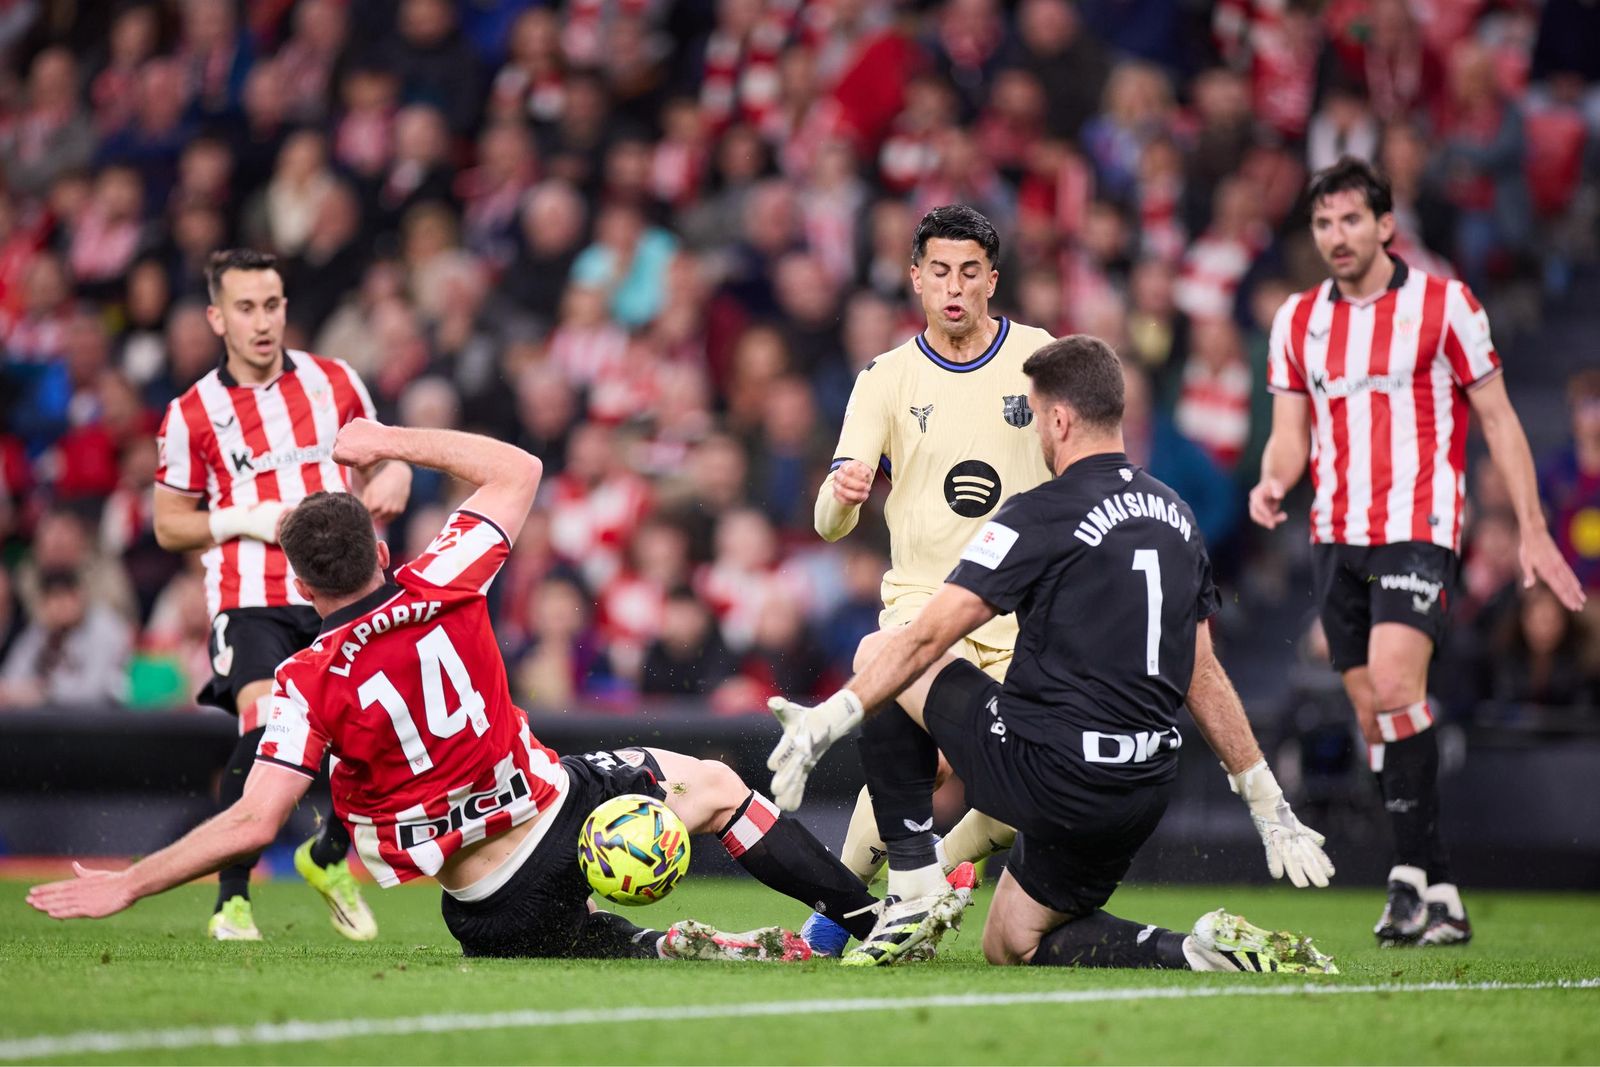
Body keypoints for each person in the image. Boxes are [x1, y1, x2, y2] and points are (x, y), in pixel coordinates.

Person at [31, 420, 938, 963]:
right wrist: (387, 442)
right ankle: (867, 918)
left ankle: (643, 943)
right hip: (550, 825)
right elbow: (518, 468)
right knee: (709, 782)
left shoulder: (306, 681)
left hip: (480, 913)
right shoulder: (444, 577)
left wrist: (132, 882)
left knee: (565, 929)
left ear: (302, 587)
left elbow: (253, 824)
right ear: (382, 552)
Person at [766, 336, 1337, 971]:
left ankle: (913, 889)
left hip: (1054, 776)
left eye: (1035, 414)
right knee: (1010, 940)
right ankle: (1195, 952)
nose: (1034, 429)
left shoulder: (1036, 515)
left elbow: (925, 639)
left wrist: (828, 719)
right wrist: (1266, 799)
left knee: (885, 646)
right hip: (1139, 791)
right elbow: (1201, 672)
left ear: (1060, 419)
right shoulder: (1176, 516)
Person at [1248, 157, 1586, 947]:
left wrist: (1532, 527)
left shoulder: (1445, 306)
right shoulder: (1297, 320)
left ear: (1386, 225)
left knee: (1399, 684)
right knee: (1375, 710)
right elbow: (1290, 435)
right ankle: (1432, 883)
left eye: (1351, 220)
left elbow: (1499, 419)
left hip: (1419, 525)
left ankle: (1409, 880)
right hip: (1335, 535)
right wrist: (1271, 482)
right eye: (1324, 223)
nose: (1337, 235)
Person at [803, 204, 1056, 954]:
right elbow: (828, 523)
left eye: (969, 271)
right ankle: (827, 920)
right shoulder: (885, 378)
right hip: (923, 607)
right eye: (939, 270)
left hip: (1025, 613)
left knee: (1029, 794)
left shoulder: (1040, 357)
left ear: (992, 280)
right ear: (915, 279)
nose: (954, 286)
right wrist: (841, 494)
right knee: (918, 761)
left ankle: (933, 877)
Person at [151, 248, 414, 941]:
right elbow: (168, 523)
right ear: (216, 316)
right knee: (264, 726)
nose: (262, 322)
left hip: (342, 591)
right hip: (251, 593)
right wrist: (246, 520)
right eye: (245, 307)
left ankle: (327, 857)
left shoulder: (335, 381)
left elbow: (386, 454)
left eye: (272, 305)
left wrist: (394, 477)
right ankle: (232, 901)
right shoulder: (192, 412)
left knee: (374, 739)